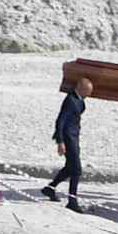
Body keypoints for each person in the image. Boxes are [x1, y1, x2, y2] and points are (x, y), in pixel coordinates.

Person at [42, 77, 93, 214]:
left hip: (74, 137)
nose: (89, 94)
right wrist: (60, 141)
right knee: (76, 169)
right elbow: (60, 121)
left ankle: (50, 188)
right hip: (68, 139)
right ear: (81, 89)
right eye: (88, 92)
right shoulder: (70, 100)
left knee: (69, 168)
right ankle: (72, 201)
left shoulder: (80, 100)